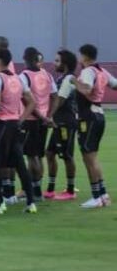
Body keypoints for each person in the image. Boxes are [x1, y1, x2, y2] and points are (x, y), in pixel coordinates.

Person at [0, 48, 37, 215]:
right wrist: (21, 119)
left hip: (2, 125)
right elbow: (32, 102)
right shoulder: (18, 78)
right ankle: (31, 202)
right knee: (20, 165)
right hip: (15, 125)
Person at [73, 44, 117, 208]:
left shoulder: (88, 72)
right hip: (99, 115)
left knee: (88, 158)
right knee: (93, 157)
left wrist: (73, 80)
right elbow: (115, 84)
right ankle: (103, 194)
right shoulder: (102, 71)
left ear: (84, 56)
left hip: (88, 117)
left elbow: (86, 89)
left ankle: (96, 196)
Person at [19, 47, 57, 201]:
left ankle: (36, 192)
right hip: (43, 122)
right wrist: (49, 116)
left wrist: (42, 117)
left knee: (31, 156)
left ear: (25, 59)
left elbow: (27, 102)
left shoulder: (24, 76)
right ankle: (36, 189)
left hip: (31, 120)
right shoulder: (47, 75)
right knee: (39, 156)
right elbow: (55, 96)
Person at [44, 49, 79, 200]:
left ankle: (70, 191)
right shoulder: (61, 78)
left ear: (65, 63)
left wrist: (48, 116)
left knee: (67, 156)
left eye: (57, 61)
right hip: (59, 122)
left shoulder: (69, 78)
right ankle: (50, 189)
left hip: (66, 122)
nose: (54, 63)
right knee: (49, 153)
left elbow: (61, 100)